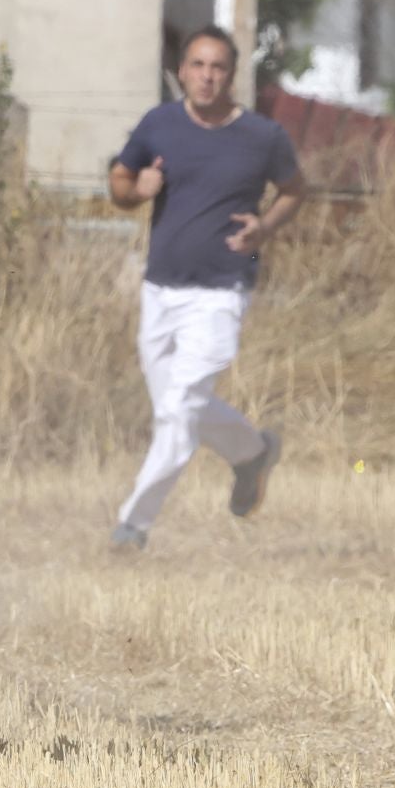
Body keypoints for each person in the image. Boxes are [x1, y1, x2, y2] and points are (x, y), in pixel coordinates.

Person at [107, 28, 305, 548]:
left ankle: (133, 525)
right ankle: (252, 453)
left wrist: (265, 227)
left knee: (179, 410)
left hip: (222, 291)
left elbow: (294, 190)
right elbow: (119, 183)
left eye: (217, 67)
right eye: (197, 65)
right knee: (179, 407)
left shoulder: (263, 136)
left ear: (231, 74)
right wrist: (137, 189)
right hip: (160, 290)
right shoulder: (160, 123)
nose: (207, 75)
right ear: (183, 71)